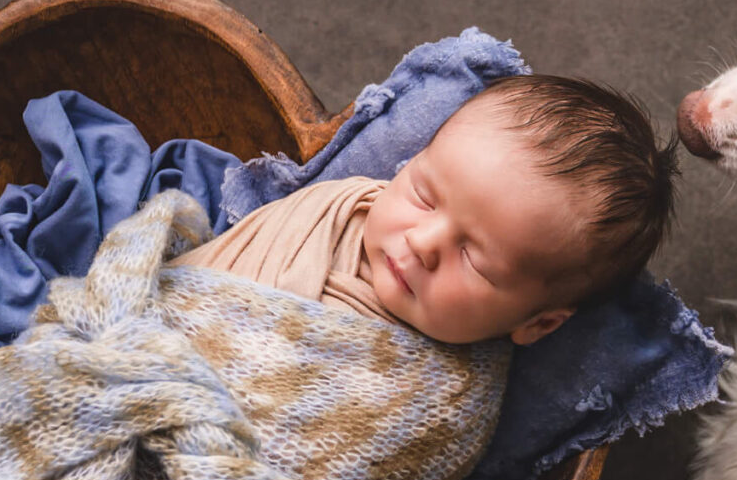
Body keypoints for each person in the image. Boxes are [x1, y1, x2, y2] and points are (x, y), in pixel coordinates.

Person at [175, 74, 676, 344]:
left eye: (476, 260)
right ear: (411, 162)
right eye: (423, 196)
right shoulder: (340, 205)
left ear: (538, 323)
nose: (422, 240)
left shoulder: (437, 403)